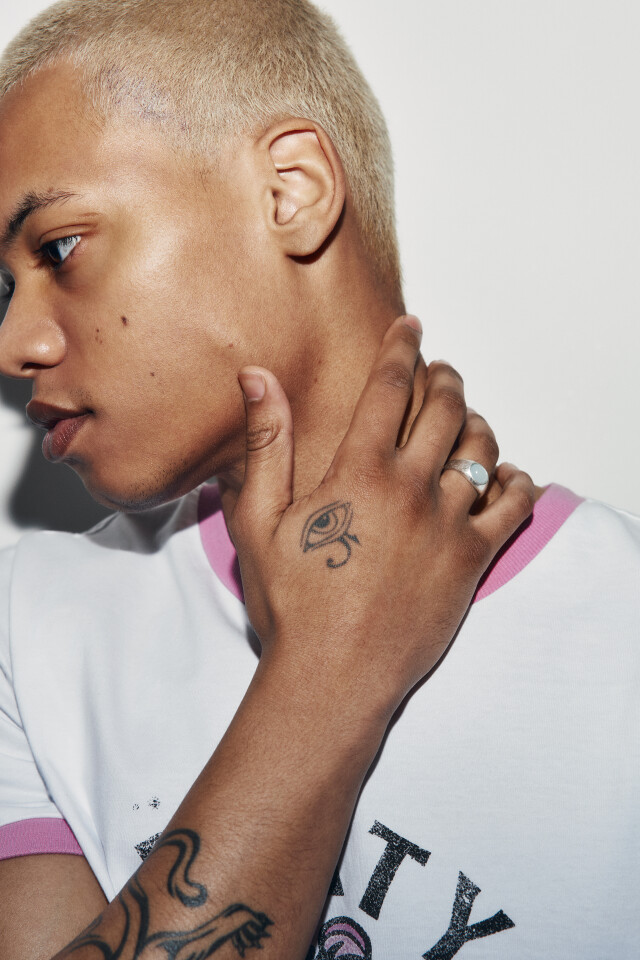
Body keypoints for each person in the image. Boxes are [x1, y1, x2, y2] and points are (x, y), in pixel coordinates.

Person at [0, 1, 637, 958]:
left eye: (59, 249)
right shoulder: (25, 631)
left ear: (290, 191)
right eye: (4, 289)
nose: (14, 345)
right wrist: (329, 666)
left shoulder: (621, 619)